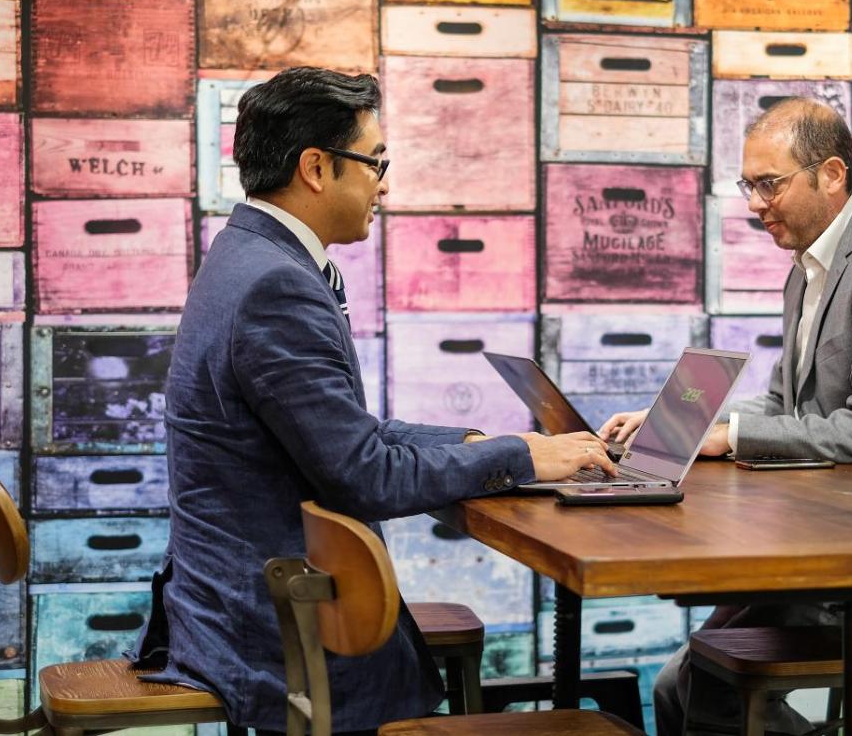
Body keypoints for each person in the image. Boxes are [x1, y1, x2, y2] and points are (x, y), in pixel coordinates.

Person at [129, 67, 615, 733]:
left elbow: (347, 431)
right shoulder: (275, 286)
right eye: (375, 162)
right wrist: (521, 459)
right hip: (275, 626)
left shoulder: (246, 254)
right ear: (316, 168)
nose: (384, 185)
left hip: (232, 600)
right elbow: (364, 473)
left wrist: (478, 444)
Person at [602, 97, 852, 735]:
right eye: (748, 185)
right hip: (837, 532)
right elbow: (785, 401)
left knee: (697, 689)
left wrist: (729, 435)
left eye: (770, 184)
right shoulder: (810, 264)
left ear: (831, 174)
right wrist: (674, 420)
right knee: (683, 685)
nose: (755, 203)